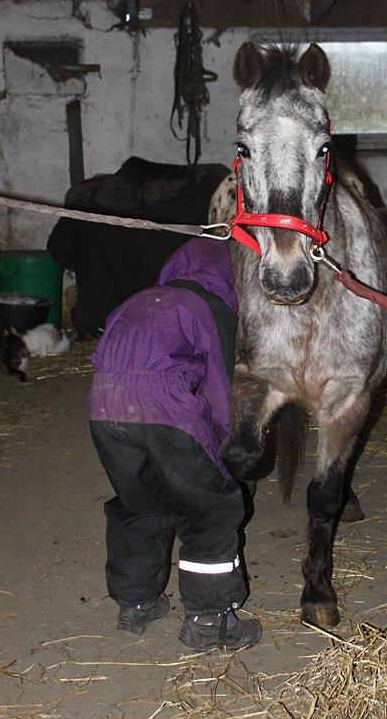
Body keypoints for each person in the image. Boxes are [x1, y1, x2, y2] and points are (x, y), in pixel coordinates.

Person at [87, 237, 260, 652]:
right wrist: (224, 446)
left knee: (138, 502)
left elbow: (101, 354)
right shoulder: (209, 307)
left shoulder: (141, 299)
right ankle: (209, 619)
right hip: (166, 406)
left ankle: (137, 603)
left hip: (104, 407)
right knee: (211, 505)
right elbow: (221, 391)